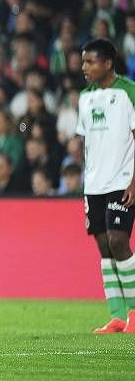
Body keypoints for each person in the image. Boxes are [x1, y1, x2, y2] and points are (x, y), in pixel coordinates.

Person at [74, 38, 135, 333]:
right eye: (83, 61)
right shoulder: (85, 97)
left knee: (119, 240)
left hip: (123, 180)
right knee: (103, 245)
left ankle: (134, 314)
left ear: (107, 63)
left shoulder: (129, 93)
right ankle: (117, 315)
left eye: (90, 62)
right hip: (94, 184)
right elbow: (86, 141)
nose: (84, 67)